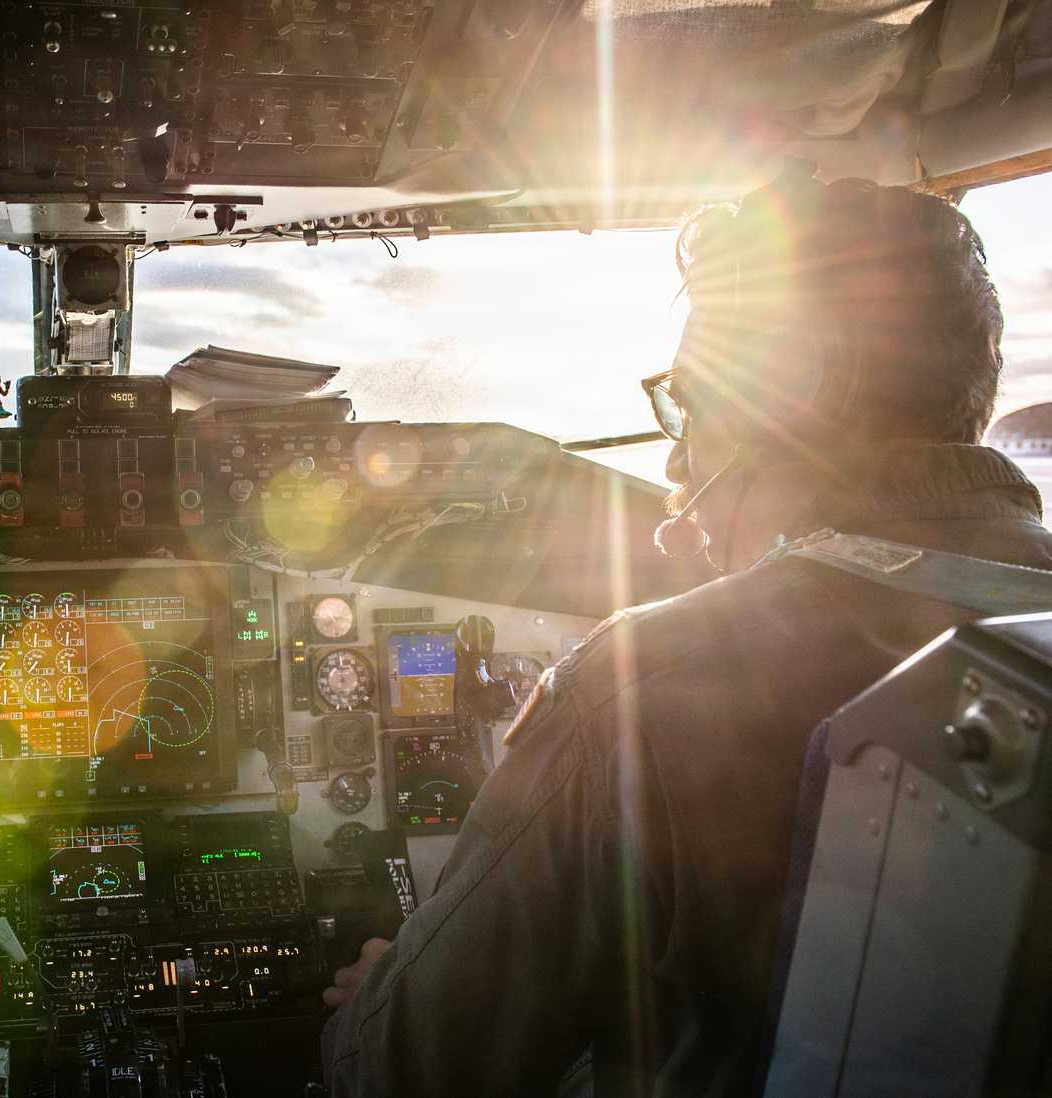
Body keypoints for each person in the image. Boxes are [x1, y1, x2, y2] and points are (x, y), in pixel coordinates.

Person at [319, 165, 1052, 1096]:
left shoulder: (639, 684)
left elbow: (411, 1070)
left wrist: (374, 1002)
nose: (674, 456)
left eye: (690, 405)